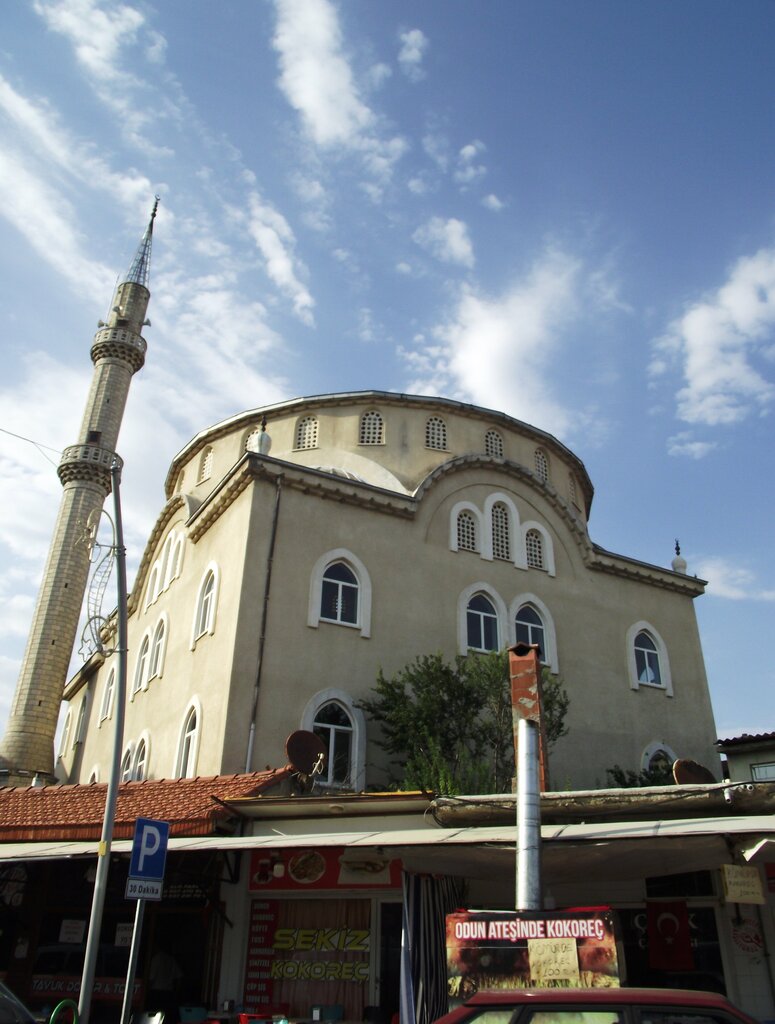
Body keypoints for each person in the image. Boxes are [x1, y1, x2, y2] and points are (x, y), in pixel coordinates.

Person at [147, 941, 184, 1023]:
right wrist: (176, 991)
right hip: (168, 993)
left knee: (154, 1017)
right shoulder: (171, 959)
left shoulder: (156, 959)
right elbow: (179, 976)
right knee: (166, 1018)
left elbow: (151, 978)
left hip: (157, 993)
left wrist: (147, 991)